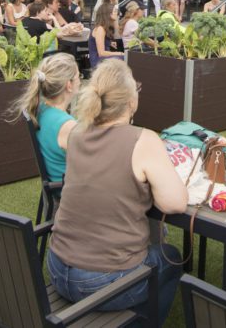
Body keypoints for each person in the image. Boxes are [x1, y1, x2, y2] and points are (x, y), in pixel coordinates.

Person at [47, 60, 187, 324]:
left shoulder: (76, 133)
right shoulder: (143, 139)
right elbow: (175, 203)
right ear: (131, 101)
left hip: (57, 269)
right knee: (172, 258)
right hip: (101, 282)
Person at [7, 54, 80, 182]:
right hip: (69, 191)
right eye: (79, 77)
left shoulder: (41, 108)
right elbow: (92, 164)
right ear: (69, 85)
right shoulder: (67, 125)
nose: (80, 81)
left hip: (59, 184)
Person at [90, 0, 123, 68]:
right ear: (109, 14)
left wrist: (108, 43)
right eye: (115, 11)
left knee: (125, 57)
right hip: (98, 61)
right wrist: (119, 53)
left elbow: (118, 33)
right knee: (123, 57)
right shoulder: (100, 29)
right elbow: (101, 53)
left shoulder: (105, 28)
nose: (117, 13)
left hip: (104, 59)